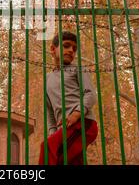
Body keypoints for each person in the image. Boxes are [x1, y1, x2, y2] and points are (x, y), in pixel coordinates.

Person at [39, 31, 98, 165]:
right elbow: (50, 112)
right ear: (53, 49)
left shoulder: (78, 69)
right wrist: (53, 133)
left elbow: (90, 94)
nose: (71, 50)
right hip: (65, 130)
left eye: (74, 48)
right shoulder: (47, 79)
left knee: (48, 149)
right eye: (66, 46)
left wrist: (76, 114)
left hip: (83, 123)